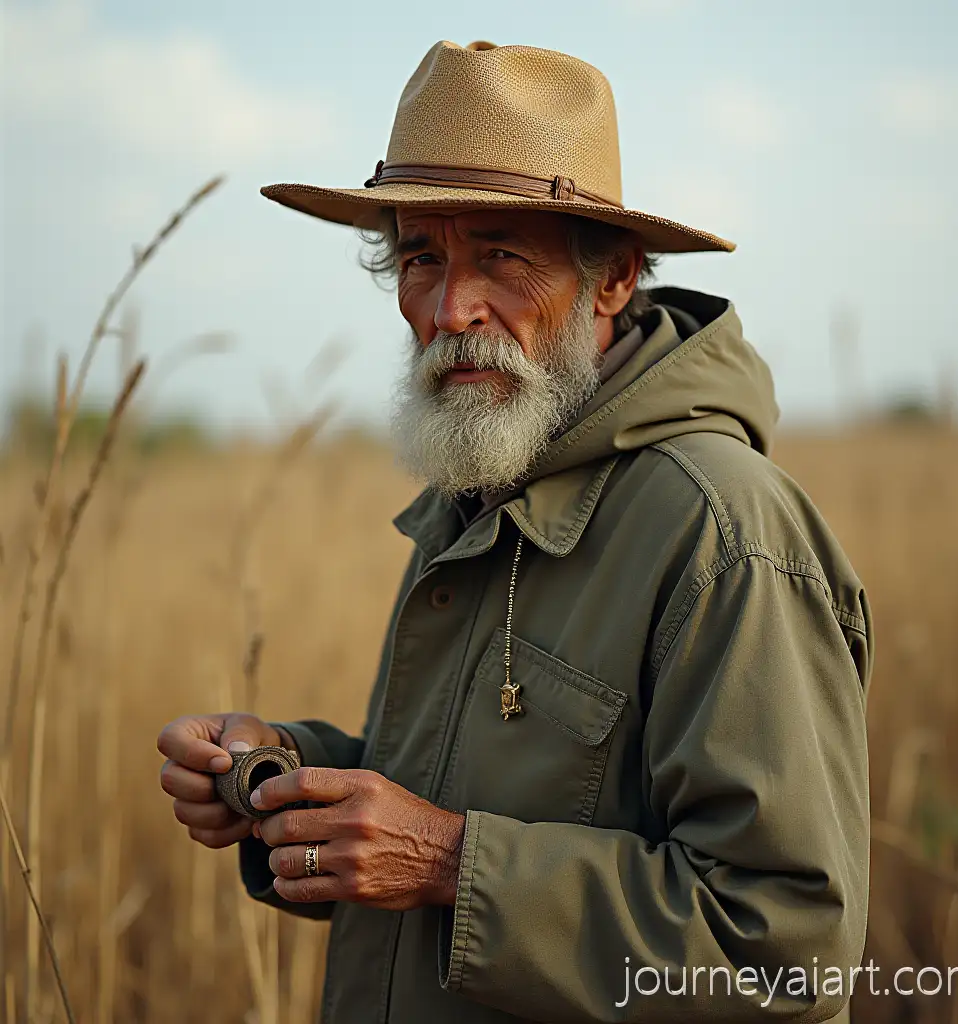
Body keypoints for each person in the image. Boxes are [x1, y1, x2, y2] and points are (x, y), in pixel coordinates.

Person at [157, 39, 871, 1023]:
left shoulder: (721, 531)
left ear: (613, 277)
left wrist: (451, 864)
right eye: (421, 256)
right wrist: (286, 772)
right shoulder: (487, 482)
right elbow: (495, 791)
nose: (452, 308)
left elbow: (786, 954)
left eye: (498, 253)